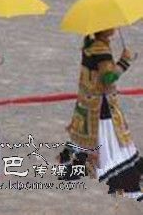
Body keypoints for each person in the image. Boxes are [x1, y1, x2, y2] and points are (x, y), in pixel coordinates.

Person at [58, 28, 143, 200]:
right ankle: (119, 173)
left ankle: (81, 165)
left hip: (88, 102)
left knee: (89, 136)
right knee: (112, 138)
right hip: (101, 104)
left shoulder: (90, 45)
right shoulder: (101, 50)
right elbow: (107, 79)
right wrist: (124, 62)